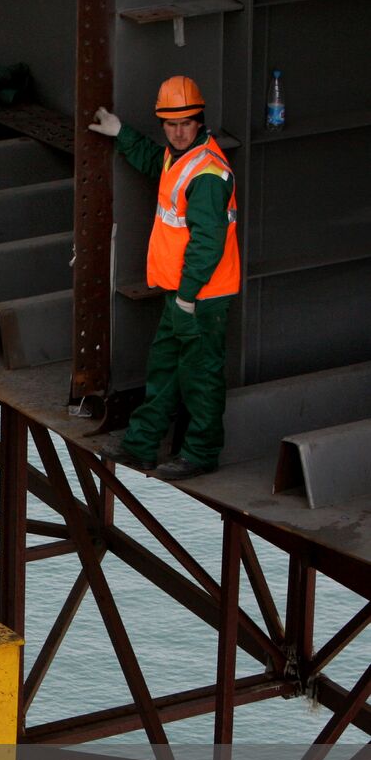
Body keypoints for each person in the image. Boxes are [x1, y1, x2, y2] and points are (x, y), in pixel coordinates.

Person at [88, 76, 241, 480]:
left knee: (200, 376)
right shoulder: (181, 158)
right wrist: (121, 133)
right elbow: (155, 161)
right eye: (171, 124)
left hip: (202, 298)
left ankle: (201, 453)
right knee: (165, 369)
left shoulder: (207, 174)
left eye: (186, 123)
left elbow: (208, 244)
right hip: (183, 295)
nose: (177, 131)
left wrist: (188, 297)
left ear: (200, 121)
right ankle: (141, 445)